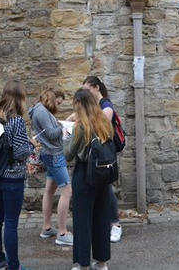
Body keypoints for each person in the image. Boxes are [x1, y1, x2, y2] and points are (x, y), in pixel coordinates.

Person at [63, 88, 114, 270]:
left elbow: (68, 154)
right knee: (102, 218)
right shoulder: (105, 123)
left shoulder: (80, 127)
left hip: (85, 174)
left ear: (79, 105)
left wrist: (65, 133)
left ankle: (83, 264)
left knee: (82, 220)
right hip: (104, 175)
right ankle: (102, 262)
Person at [0, 79, 35, 270]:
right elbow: (20, 153)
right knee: (11, 222)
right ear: (19, 98)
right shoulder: (16, 121)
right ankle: (14, 266)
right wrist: (30, 145)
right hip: (13, 177)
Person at [29, 89, 73, 246]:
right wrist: (67, 127)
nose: (58, 106)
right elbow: (52, 134)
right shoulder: (41, 111)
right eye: (58, 102)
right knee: (67, 191)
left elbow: (49, 131)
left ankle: (46, 228)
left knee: (49, 191)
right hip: (54, 155)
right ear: (52, 98)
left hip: (49, 153)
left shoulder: (40, 110)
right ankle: (62, 232)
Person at [82, 76, 123, 243]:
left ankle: (116, 225)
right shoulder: (94, 106)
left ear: (96, 88)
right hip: (98, 153)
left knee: (106, 187)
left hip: (107, 153)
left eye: (87, 90)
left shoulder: (106, 105)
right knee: (101, 187)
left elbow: (103, 122)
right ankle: (103, 221)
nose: (86, 93)